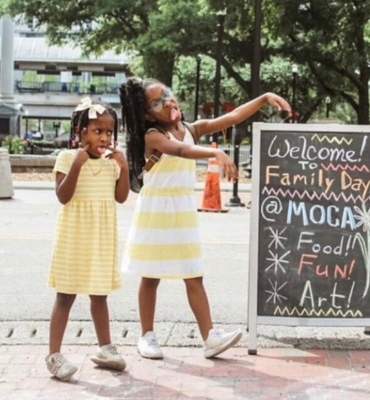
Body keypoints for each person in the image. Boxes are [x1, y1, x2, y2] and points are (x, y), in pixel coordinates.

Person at [119, 77, 290, 360]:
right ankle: (147, 335)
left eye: (168, 94)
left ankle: (209, 336)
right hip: (156, 208)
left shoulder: (190, 128)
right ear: (148, 113)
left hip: (182, 208)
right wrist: (214, 152)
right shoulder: (152, 135)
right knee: (150, 276)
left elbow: (231, 117)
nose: (169, 102)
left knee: (193, 274)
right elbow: (182, 151)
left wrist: (263, 98)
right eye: (158, 102)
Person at [46, 97, 130, 381]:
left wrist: (125, 168)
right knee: (65, 296)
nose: (105, 137)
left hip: (101, 238)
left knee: (100, 294)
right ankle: (54, 355)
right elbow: (63, 196)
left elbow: (121, 198)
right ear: (81, 132)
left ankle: (106, 348)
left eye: (109, 132)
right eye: (98, 131)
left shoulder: (111, 164)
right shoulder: (67, 158)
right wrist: (77, 165)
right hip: (73, 238)